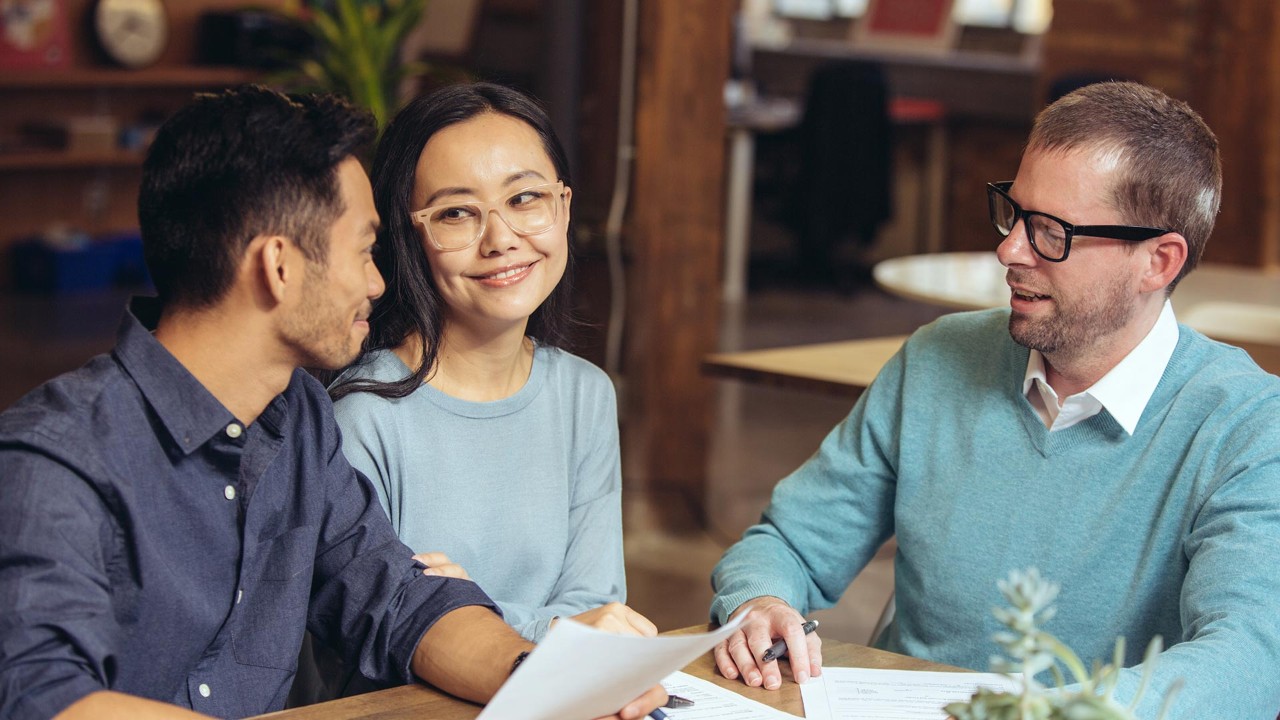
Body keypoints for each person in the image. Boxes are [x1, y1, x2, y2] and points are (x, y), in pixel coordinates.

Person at [0, 85, 663, 720]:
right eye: (366, 250)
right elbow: (42, 699)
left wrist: (548, 682)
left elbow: (398, 600)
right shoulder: (54, 461)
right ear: (279, 266)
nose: (379, 282)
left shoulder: (298, 425)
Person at [709, 81, 1280, 718]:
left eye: (1051, 232)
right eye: (1013, 212)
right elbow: (786, 544)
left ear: (1158, 261)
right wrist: (759, 601)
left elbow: (1248, 659)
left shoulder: (1249, 426)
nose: (1008, 250)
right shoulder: (937, 357)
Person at [326, 82, 652, 643]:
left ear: (565, 207)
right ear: (409, 236)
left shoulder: (585, 395)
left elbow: (597, 605)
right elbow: (389, 627)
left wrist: (471, 608)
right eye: (456, 213)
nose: (500, 238)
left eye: (525, 199)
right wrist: (526, 625)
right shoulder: (365, 413)